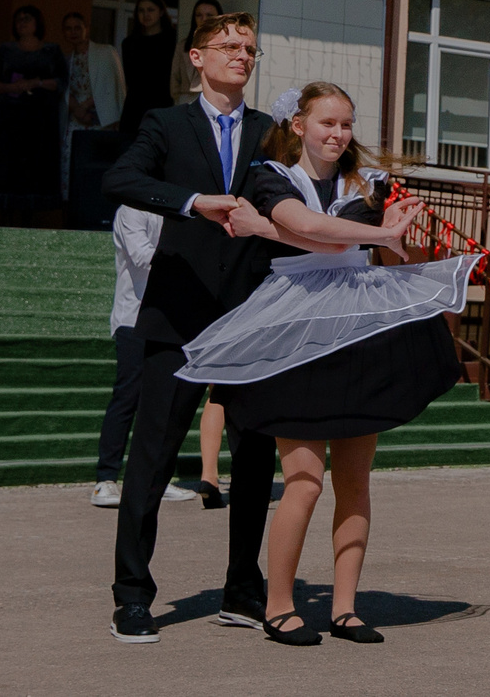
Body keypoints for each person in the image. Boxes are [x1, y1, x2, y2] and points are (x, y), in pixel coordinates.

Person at [187, 83, 459, 645]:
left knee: (354, 480)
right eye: (327, 123)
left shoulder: (369, 185)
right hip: (297, 326)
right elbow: (312, 231)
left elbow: (332, 241)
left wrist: (283, 231)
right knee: (304, 481)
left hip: (359, 330)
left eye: (346, 124)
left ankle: (345, 608)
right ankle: (280, 606)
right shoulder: (269, 176)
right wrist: (375, 231)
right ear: (298, 125)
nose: (338, 134)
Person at [99, 9, 280, 645]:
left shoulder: (270, 132)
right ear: (196, 57)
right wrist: (192, 202)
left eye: (250, 48)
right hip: (177, 313)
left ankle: (242, 588)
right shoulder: (166, 124)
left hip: (251, 314)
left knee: (255, 459)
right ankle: (131, 595)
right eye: (228, 45)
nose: (242, 55)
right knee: (151, 457)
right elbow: (119, 177)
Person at [91, 203, 197, 510]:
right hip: (133, 317)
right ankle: (105, 479)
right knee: (128, 395)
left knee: (164, 401)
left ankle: (155, 478)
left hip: (170, 319)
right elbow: (141, 256)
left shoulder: (180, 209)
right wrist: (193, 257)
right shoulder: (131, 209)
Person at [0, 3, 68, 208]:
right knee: (8, 167)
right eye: (18, 19)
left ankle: (34, 217)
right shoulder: (5, 50)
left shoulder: (52, 50)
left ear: (38, 23)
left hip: (41, 120)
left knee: (37, 167)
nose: (22, 23)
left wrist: (36, 83)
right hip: (9, 119)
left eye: (27, 19)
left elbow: (62, 81)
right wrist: (11, 87)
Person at [60, 11, 128, 141]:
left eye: (78, 28)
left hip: (101, 117)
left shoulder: (105, 52)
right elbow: (64, 89)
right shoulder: (66, 60)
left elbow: (110, 85)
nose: (73, 32)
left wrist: (84, 107)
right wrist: (77, 110)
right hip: (75, 119)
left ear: (86, 28)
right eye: (68, 29)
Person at [116, 0, 176, 129]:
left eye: (150, 10)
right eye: (141, 11)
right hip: (135, 106)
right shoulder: (129, 43)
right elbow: (129, 78)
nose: (146, 15)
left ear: (161, 12)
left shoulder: (172, 39)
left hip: (163, 103)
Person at [166, 0, 223, 107]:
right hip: (185, 98)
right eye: (199, 15)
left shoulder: (225, 44)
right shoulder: (183, 45)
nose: (203, 19)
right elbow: (175, 76)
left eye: (209, 15)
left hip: (214, 98)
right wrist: (178, 98)